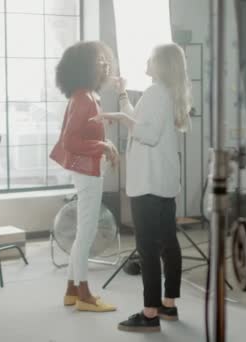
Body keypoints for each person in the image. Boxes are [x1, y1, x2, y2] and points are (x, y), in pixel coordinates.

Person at [92, 43, 191, 332]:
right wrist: (122, 95)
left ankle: (149, 314)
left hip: (148, 184)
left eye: (149, 58)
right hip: (161, 182)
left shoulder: (156, 93)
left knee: (148, 249)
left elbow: (145, 133)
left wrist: (118, 118)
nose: (145, 61)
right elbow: (140, 119)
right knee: (167, 244)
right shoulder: (163, 93)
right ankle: (168, 305)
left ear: (159, 64)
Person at [49, 41, 119, 312]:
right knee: (86, 233)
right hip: (87, 171)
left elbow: (80, 135)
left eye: (105, 59)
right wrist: (103, 145)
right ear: (85, 67)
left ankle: (70, 291)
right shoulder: (83, 98)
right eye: (100, 60)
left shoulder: (86, 95)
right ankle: (85, 295)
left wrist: (100, 137)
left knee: (83, 231)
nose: (105, 64)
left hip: (88, 170)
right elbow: (69, 141)